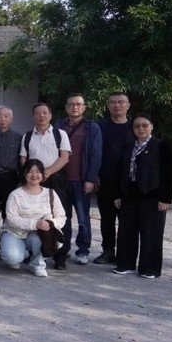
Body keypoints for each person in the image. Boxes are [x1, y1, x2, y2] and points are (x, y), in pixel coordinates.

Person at [113, 113, 172, 278]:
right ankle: (125, 264)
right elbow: (120, 172)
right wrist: (118, 195)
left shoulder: (161, 146)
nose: (141, 129)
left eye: (145, 125)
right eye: (137, 126)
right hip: (129, 196)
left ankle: (149, 268)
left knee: (151, 234)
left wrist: (165, 199)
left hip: (153, 196)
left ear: (151, 126)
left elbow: (169, 174)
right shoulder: (128, 146)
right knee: (126, 232)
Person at [19, 102, 71, 269]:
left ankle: (60, 256)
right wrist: (31, 175)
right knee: (33, 215)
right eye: (38, 113)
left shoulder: (60, 134)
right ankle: (35, 252)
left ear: (50, 115)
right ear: (33, 116)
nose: (41, 116)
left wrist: (47, 172)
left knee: (59, 215)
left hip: (54, 179)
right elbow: (23, 159)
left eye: (44, 113)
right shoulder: (27, 136)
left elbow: (64, 157)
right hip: (33, 180)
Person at [55, 93, 102, 266]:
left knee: (83, 218)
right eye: (71, 104)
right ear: (66, 107)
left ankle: (83, 250)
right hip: (61, 180)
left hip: (81, 180)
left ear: (84, 107)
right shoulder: (59, 126)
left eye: (79, 104)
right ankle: (64, 248)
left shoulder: (92, 128)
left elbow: (96, 154)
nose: (75, 107)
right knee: (63, 217)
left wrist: (90, 179)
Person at [1, 159, 66, 278]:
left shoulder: (50, 193)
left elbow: (61, 217)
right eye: (30, 171)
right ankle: (21, 253)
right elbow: (11, 218)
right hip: (14, 232)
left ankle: (38, 265)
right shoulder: (15, 194)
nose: (34, 175)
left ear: (42, 174)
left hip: (39, 234)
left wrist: (50, 223)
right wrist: (35, 224)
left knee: (45, 238)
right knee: (12, 258)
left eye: (38, 171)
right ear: (24, 174)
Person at [94, 92, 134, 265]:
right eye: (113, 102)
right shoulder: (99, 126)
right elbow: (93, 152)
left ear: (128, 105)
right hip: (105, 180)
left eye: (121, 102)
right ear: (108, 106)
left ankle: (125, 254)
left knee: (127, 220)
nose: (117, 105)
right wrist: (93, 174)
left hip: (129, 181)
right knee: (107, 218)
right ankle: (108, 250)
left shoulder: (135, 126)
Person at [0, 105, 23, 256]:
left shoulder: (18, 138)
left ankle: (9, 245)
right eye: (0, 116)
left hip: (11, 178)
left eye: (6, 116)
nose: (3, 119)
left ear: (11, 119)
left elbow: (22, 161)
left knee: (9, 213)